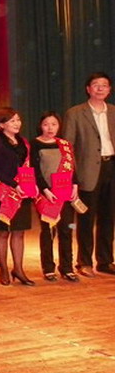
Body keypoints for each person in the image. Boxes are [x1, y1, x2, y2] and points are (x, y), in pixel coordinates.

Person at [64, 72, 115, 277]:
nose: (100, 88)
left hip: (111, 166)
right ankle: (84, 262)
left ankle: (105, 260)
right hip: (87, 170)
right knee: (86, 217)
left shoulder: (113, 111)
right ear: (88, 89)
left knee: (108, 217)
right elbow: (67, 146)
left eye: (104, 85)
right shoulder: (75, 113)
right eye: (96, 85)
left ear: (109, 90)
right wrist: (72, 175)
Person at [0, 107, 36, 286]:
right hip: (3, 193)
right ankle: (4, 269)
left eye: (18, 120)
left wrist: (31, 184)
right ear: (1, 125)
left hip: (22, 193)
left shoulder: (23, 143)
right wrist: (15, 185)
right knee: (3, 232)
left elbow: (28, 168)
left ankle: (18, 269)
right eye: (12, 121)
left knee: (19, 232)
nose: (17, 123)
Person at [31, 111, 80, 282]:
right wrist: (45, 190)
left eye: (54, 124)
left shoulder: (64, 144)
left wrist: (75, 185)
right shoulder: (35, 144)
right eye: (46, 124)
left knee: (66, 230)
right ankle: (48, 268)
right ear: (40, 126)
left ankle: (67, 267)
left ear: (59, 126)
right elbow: (35, 170)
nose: (50, 128)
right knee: (48, 231)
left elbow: (72, 167)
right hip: (47, 194)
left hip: (65, 193)